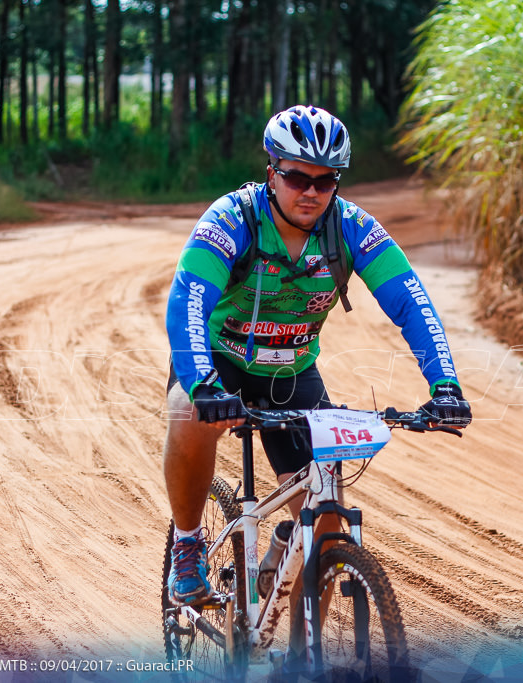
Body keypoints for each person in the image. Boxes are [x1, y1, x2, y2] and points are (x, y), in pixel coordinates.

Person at [163, 105, 472, 606]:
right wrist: (201, 383)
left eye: (325, 181)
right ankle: (188, 543)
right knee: (187, 411)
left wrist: (446, 386)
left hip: (292, 372)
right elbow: (188, 301)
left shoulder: (351, 227)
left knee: (326, 529)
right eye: (297, 177)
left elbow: (411, 301)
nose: (311, 191)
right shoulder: (231, 219)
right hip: (218, 362)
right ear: (272, 173)